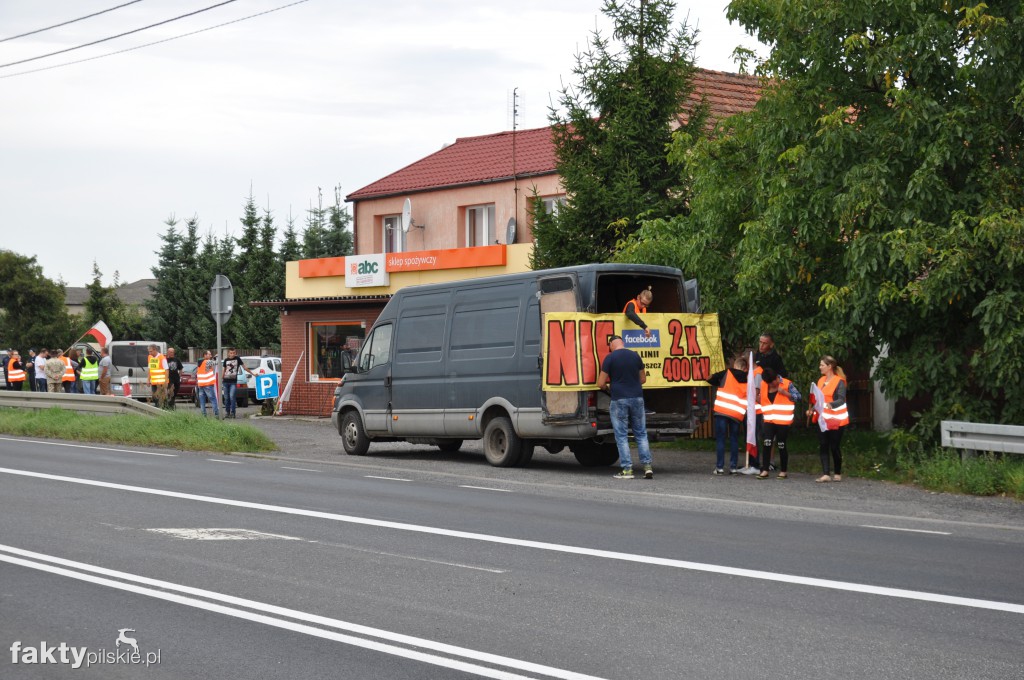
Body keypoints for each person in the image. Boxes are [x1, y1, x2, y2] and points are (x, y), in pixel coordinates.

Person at [597, 334, 653, 479]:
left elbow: (600, 383)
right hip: (637, 399)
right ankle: (647, 467)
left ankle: (627, 470)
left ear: (611, 345)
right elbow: (643, 379)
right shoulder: (635, 356)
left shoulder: (610, 358)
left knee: (621, 436)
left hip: (619, 399)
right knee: (641, 433)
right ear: (622, 343)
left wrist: (610, 389)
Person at [807, 355, 849, 482]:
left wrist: (831, 405)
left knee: (834, 446)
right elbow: (818, 400)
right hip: (823, 420)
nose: (820, 367)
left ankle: (837, 472)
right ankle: (826, 474)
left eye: (822, 365)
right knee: (823, 445)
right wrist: (812, 410)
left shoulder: (839, 381)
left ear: (829, 367)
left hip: (836, 419)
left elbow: (841, 399)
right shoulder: (820, 381)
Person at [706, 354, 749, 475]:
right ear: (745, 368)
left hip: (722, 411)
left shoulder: (727, 372)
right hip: (736, 414)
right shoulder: (748, 379)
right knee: (734, 440)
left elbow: (709, 378)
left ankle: (719, 468)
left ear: (735, 365)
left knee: (721, 440)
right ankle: (733, 468)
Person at [755, 367, 801, 479]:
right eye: (769, 383)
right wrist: (757, 399)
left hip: (782, 421)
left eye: (773, 382)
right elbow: (763, 400)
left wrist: (786, 393)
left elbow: (798, 397)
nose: (771, 385)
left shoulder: (786, 383)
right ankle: (765, 469)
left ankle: (783, 471)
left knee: (781, 445)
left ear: (776, 377)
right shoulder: (763, 384)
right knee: (766, 443)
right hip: (768, 420)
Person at [221, 348, 254, 419]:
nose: (232, 354)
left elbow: (244, 367)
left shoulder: (237, 359)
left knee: (232, 397)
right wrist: (221, 378)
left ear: (235, 353)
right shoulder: (226, 360)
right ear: (228, 353)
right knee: (226, 398)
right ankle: (227, 413)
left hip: (233, 382)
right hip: (225, 381)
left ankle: (233, 413)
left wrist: (253, 374)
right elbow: (224, 370)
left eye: (233, 353)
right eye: (231, 353)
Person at [195, 349, 219, 417]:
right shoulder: (207, 362)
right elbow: (216, 362)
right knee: (213, 399)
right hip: (208, 384)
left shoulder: (200, 362)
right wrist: (217, 357)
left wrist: (214, 358)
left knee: (202, 402)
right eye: (209, 354)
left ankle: (204, 415)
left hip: (201, 384)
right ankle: (217, 415)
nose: (210, 355)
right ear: (205, 355)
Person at [147, 344, 170, 409]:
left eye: (150, 351)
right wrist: (148, 380)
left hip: (161, 382)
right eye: (149, 351)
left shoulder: (162, 358)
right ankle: (158, 408)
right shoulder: (150, 357)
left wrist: (165, 382)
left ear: (155, 350)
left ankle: (164, 409)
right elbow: (150, 369)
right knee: (154, 397)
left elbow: (166, 370)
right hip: (154, 382)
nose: (149, 353)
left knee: (162, 397)